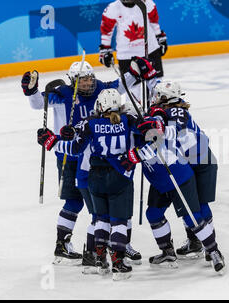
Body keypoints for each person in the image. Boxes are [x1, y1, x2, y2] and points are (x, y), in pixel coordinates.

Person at [22, 58, 151, 264]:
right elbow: (39, 103)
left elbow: (119, 87)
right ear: (73, 81)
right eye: (82, 81)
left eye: (89, 79)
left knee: (103, 205)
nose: (87, 84)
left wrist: (135, 74)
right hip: (68, 155)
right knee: (75, 201)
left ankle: (112, 246)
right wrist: (31, 90)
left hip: (93, 158)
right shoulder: (62, 94)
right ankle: (65, 245)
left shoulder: (100, 89)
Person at [38, 89, 140, 281]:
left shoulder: (91, 123)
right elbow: (148, 134)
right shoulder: (128, 120)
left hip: (94, 176)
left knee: (100, 218)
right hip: (119, 175)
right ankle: (117, 261)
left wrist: (53, 142)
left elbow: (75, 147)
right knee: (119, 220)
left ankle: (98, 257)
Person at [148, 81, 218, 262]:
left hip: (201, 163)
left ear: (165, 98)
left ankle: (209, 247)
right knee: (195, 206)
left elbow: (172, 130)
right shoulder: (170, 110)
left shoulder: (175, 111)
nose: (154, 98)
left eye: (157, 95)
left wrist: (157, 126)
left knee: (199, 206)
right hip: (191, 162)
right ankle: (196, 243)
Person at [99, 0, 167, 77]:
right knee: (131, 88)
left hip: (150, 51)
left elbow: (154, 22)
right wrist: (105, 50)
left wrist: (160, 38)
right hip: (126, 56)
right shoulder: (112, 8)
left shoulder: (147, 2)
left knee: (157, 86)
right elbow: (106, 31)